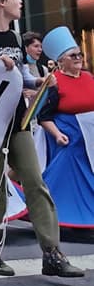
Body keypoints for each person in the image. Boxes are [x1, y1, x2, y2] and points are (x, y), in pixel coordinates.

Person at [0, 0, 83, 278]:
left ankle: (52, 253)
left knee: (36, 182)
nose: (20, 2)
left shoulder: (16, 40)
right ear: (1, 1)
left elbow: (21, 77)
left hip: (18, 121)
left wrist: (38, 82)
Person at [36, 28, 94, 227]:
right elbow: (43, 116)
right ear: (61, 61)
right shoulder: (54, 82)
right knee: (66, 174)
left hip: (90, 138)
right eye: (73, 55)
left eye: (80, 54)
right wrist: (58, 134)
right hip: (69, 137)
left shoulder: (88, 77)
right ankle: (62, 216)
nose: (78, 58)